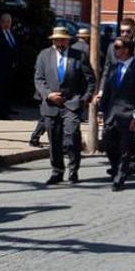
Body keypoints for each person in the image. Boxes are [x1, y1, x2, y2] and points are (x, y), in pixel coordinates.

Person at [34, 26, 96, 184]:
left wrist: (84, 99)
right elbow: (39, 79)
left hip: (72, 103)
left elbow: (90, 80)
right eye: (57, 40)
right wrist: (48, 94)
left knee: (71, 137)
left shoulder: (79, 56)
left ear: (68, 41)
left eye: (62, 40)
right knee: (54, 140)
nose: (60, 43)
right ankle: (57, 171)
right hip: (51, 104)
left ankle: (73, 169)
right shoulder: (44, 55)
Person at [96, 38, 135, 190]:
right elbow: (107, 90)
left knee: (125, 148)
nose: (114, 49)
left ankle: (120, 176)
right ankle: (116, 167)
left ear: (126, 50)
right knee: (108, 143)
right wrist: (101, 110)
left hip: (128, 114)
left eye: (117, 47)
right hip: (111, 114)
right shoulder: (114, 67)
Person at [0, 13, 18, 120]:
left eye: (9, 22)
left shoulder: (11, 33)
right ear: (0, 22)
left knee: (7, 88)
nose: (7, 24)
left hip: (10, 66)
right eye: (4, 22)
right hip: (0, 66)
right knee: (0, 89)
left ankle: (7, 107)